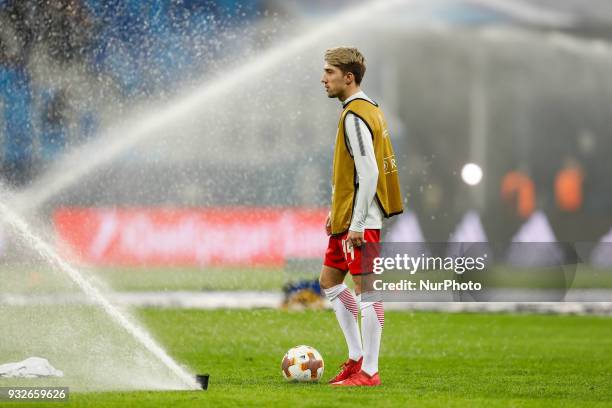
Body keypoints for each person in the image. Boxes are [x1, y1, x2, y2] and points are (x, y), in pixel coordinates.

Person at [319, 47, 403, 386]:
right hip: (351, 218)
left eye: (329, 72)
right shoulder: (369, 109)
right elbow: (355, 174)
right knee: (328, 281)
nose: (323, 79)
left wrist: (355, 224)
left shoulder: (354, 115)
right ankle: (356, 359)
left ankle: (370, 370)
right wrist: (336, 212)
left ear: (348, 77)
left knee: (367, 290)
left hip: (361, 224)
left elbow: (368, 174)